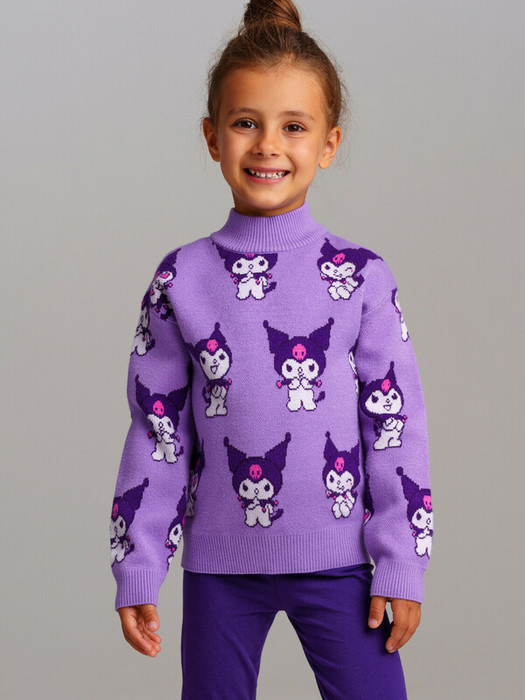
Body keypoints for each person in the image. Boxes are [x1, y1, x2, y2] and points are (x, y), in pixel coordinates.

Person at [109, 1, 433, 698]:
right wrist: (139, 564)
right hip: (220, 570)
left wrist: (401, 562)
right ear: (211, 136)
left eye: (293, 126)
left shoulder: (361, 276)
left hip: (344, 566)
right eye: (244, 123)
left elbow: (395, 424)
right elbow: (157, 432)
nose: (266, 146)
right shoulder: (180, 278)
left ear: (329, 143)